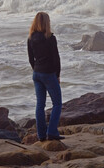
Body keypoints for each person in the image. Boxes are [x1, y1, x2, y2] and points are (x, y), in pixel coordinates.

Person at [27, 12, 64, 141]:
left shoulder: (31, 38)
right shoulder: (50, 38)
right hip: (49, 73)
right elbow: (56, 59)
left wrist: (36, 70)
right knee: (57, 103)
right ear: (47, 23)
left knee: (40, 105)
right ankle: (52, 132)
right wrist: (57, 75)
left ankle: (41, 135)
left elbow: (31, 58)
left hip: (37, 73)